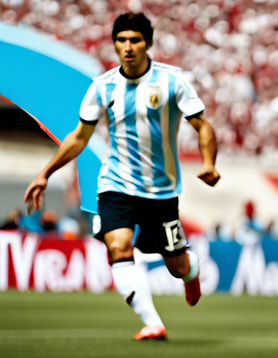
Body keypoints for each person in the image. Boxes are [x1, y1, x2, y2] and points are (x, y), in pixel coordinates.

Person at [23, 12, 220, 340]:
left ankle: (191, 270)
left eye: (135, 40)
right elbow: (78, 137)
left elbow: (203, 126)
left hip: (161, 191)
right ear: (115, 44)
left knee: (177, 265)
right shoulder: (103, 86)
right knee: (118, 246)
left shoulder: (172, 82)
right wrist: (45, 172)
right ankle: (153, 323)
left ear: (148, 44)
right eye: (122, 40)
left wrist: (209, 162)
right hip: (116, 184)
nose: (127, 47)